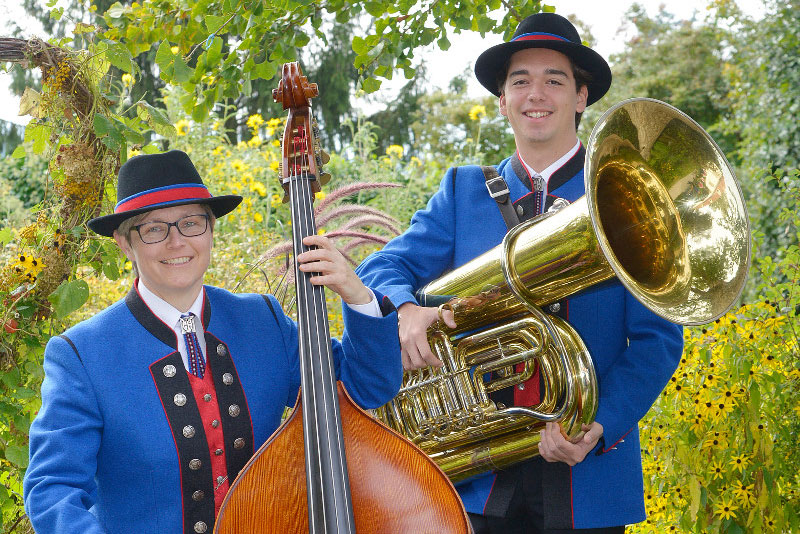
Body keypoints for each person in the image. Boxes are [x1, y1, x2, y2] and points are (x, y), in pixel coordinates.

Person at [355, 12, 683, 534]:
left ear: (580, 97)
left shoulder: (624, 201)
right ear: (502, 101)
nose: (537, 94)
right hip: (482, 483)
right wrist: (407, 309)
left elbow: (656, 340)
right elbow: (382, 264)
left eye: (554, 80)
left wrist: (599, 425)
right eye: (520, 82)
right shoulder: (463, 193)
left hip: (587, 478)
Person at [23, 150, 402, 534]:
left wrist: (357, 296)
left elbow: (365, 389)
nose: (176, 242)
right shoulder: (82, 355)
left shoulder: (263, 320)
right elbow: (52, 490)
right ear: (124, 243)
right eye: (153, 229)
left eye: (191, 223)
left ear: (211, 229)